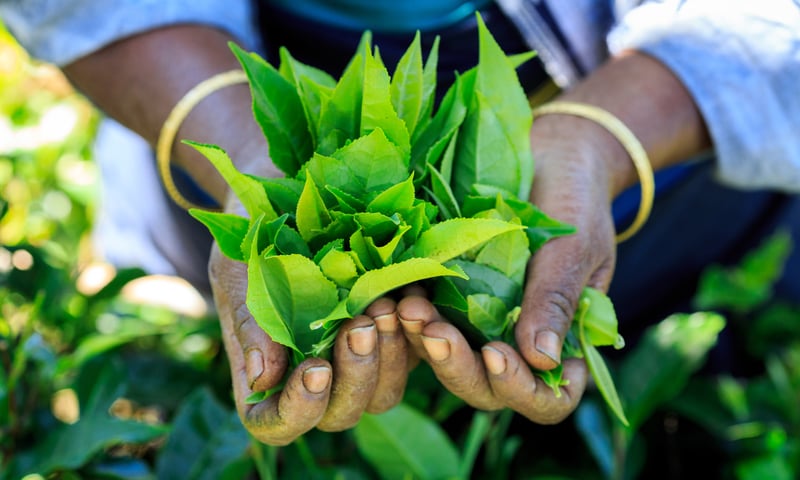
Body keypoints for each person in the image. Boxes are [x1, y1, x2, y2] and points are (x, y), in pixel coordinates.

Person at [1, 0, 798, 446]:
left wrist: (597, 139)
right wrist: (246, 159)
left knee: (706, 373)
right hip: (220, 89)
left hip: (674, 135)